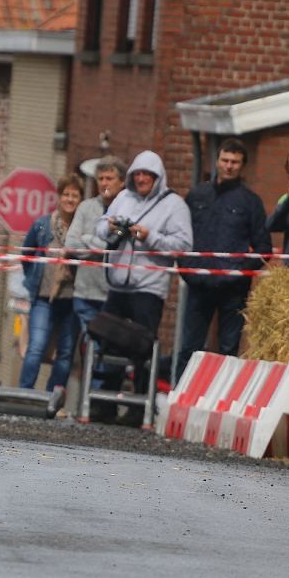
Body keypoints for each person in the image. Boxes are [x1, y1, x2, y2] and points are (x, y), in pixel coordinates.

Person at [95, 150, 193, 395]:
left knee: (141, 349)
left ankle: (139, 405)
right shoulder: (123, 198)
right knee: (108, 344)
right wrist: (109, 227)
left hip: (149, 289)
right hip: (117, 286)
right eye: (136, 174)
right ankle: (103, 401)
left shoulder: (175, 205)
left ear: (157, 177)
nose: (141, 179)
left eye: (146, 174)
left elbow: (183, 246)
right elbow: (99, 227)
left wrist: (151, 237)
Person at [177, 138, 270, 379]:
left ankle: (218, 401)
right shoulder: (197, 195)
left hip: (233, 289)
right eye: (225, 160)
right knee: (190, 347)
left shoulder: (250, 202)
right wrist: (186, 268)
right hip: (198, 283)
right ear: (216, 161)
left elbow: (264, 248)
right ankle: (181, 395)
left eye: (235, 162)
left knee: (228, 349)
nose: (229, 166)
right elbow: (181, 235)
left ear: (242, 166)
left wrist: (239, 271)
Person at [17, 174, 85, 393]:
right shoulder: (42, 225)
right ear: (59, 196)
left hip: (72, 300)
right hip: (43, 297)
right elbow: (26, 255)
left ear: (81, 200)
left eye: (75, 195)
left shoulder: (83, 229)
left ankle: (53, 397)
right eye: (66, 194)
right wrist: (34, 280)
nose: (70, 199)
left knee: (65, 353)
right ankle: (25, 392)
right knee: (36, 347)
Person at [66, 156, 125, 333]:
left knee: (106, 347)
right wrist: (103, 247)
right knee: (91, 344)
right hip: (85, 293)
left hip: (113, 295)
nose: (104, 183)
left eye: (109, 178)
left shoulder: (128, 209)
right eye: (100, 179)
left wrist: (87, 239)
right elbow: (71, 244)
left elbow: (119, 249)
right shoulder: (85, 207)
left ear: (121, 182)